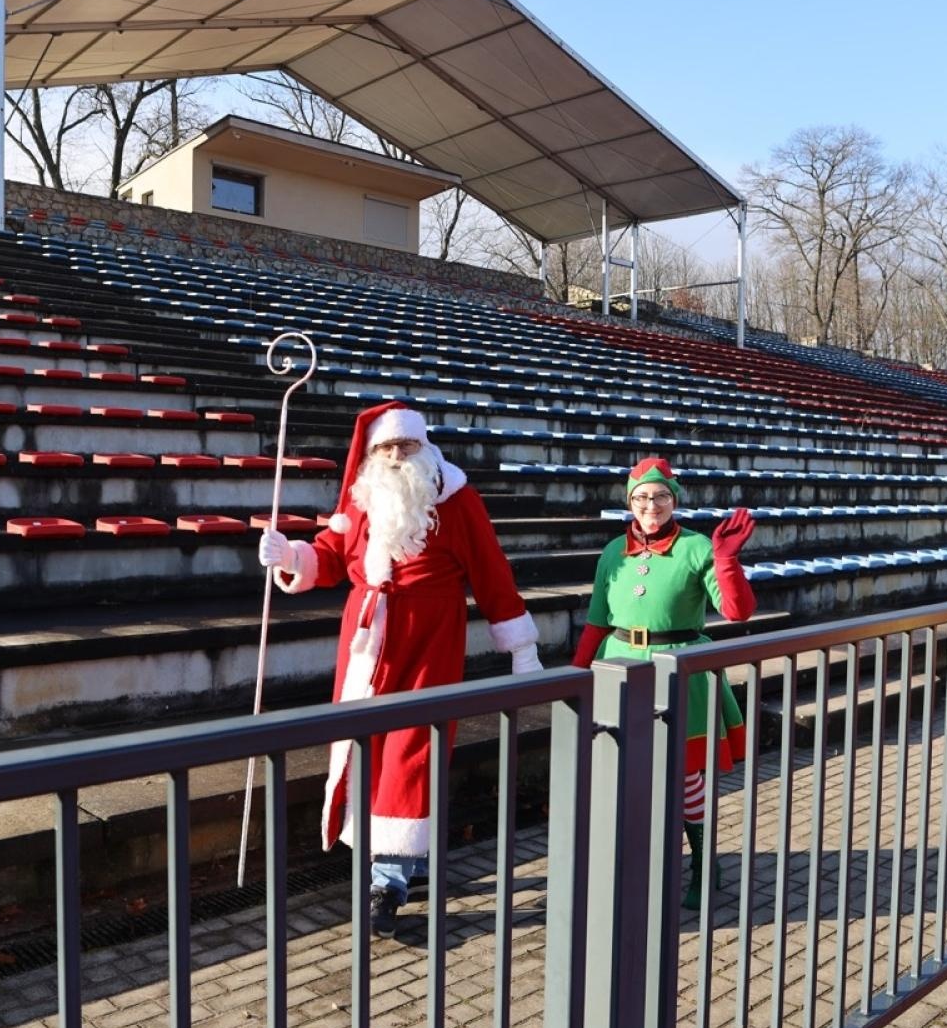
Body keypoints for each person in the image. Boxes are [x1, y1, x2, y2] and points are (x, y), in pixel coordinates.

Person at [258, 400, 543, 937]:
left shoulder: (458, 501)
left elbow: (491, 573)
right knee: (363, 745)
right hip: (366, 642)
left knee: (413, 750)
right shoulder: (361, 497)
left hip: (429, 639)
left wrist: (521, 650)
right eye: (385, 447)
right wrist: (290, 556)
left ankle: (387, 881)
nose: (394, 454)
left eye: (405, 445)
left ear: (424, 446)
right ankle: (392, 862)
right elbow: (332, 556)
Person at [570, 457, 756, 909]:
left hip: (678, 671)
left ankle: (703, 863)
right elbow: (597, 621)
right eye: (640, 497)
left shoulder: (697, 548)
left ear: (674, 499)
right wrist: (576, 677)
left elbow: (738, 612)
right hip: (618, 668)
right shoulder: (614, 551)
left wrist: (726, 561)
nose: (650, 505)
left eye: (660, 496)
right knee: (626, 773)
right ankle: (644, 860)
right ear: (629, 503)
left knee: (685, 776)